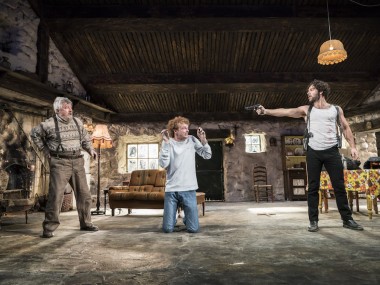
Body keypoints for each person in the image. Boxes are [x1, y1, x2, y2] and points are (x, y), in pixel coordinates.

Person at [255, 79, 363, 232]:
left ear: (321, 92)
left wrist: (353, 147)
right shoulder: (307, 110)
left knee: (339, 187)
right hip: (313, 152)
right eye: (308, 90)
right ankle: (313, 221)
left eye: (311, 90)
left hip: (332, 152)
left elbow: (345, 127)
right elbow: (286, 111)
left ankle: (347, 219)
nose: (308, 92)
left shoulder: (336, 109)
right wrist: (266, 111)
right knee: (313, 187)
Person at [31, 97, 99, 238]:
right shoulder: (48, 124)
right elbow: (34, 134)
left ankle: (86, 223)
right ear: (57, 110)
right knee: (56, 196)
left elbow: (85, 138)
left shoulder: (77, 121)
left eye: (70, 107)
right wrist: (45, 151)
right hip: (59, 162)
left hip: (77, 161)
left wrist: (90, 150)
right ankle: (49, 228)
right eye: (66, 107)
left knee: (84, 195)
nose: (70, 109)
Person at [158, 116, 212, 233]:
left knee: (193, 229)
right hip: (171, 189)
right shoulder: (168, 142)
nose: (187, 130)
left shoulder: (192, 140)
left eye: (187, 128)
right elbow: (163, 164)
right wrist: (166, 144)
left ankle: (186, 217)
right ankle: (173, 217)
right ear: (175, 130)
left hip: (188, 188)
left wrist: (203, 140)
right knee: (167, 229)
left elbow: (207, 155)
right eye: (183, 128)